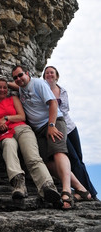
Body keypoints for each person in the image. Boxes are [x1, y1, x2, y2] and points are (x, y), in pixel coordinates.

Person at [11, 64, 93, 210]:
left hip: (52, 123)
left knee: (58, 153)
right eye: (15, 77)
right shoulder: (22, 87)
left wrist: (51, 125)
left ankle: (66, 191)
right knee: (47, 162)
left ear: (27, 73)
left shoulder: (39, 83)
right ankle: (81, 189)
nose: (18, 79)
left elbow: (54, 103)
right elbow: (18, 86)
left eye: (20, 75)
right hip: (39, 131)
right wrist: (4, 83)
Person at [0, 77, 61, 206]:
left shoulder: (13, 99)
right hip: (5, 133)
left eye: (5, 87)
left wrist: (6, 118)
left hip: (22, 128)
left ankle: (47, 186)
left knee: (32, 156)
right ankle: (19, 184)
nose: (2, 89)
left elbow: (22, 116)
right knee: (8, 148)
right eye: (0, 87)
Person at [43, 66, 98, 200]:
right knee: (72, 158)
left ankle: (88, 190)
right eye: (47, 73)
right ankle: (87, 192)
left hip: (71, 127)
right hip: (58, 128)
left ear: (56, 76)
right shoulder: (43, 90)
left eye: (52, 73)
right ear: (44, 76)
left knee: (79, 159)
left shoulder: (63, 91)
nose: (49, 75)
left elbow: (64, 109)